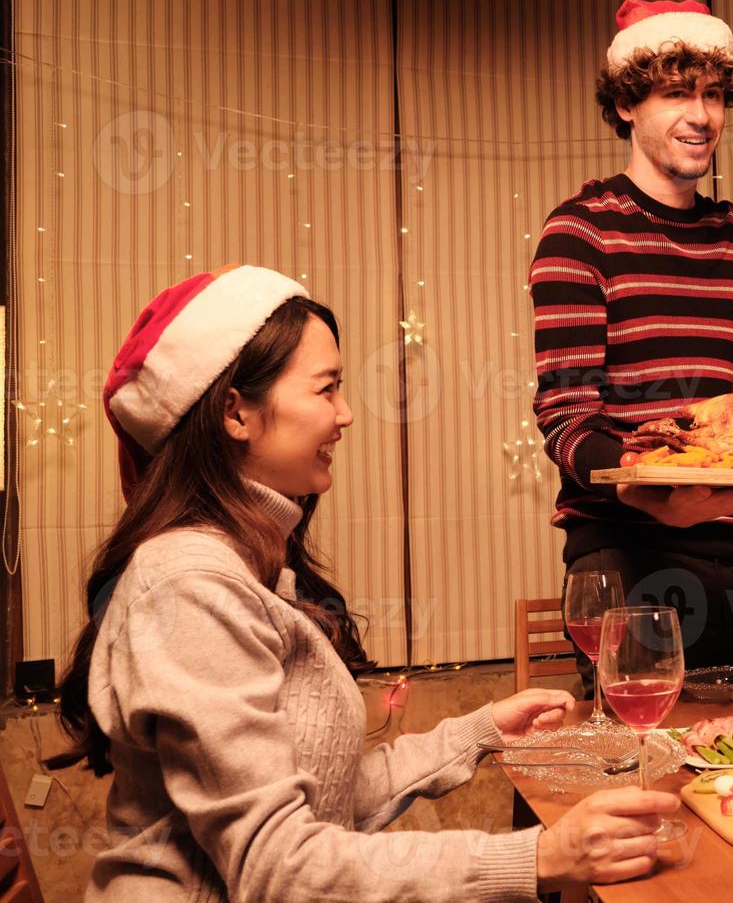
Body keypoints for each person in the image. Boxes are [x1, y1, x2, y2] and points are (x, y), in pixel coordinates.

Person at [48, 266, 679, 901]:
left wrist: (479, 731)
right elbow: (280, 869)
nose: (346, 415)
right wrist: (539, 856)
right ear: (235, 412)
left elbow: (326, 800)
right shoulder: (190, 587)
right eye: (326, 390)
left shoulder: (253, 568)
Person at [530, 0, 733, 675]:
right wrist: (645, 483)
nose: (702, 116)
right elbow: (564, 418)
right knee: (660, 746)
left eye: (714, 95)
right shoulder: (580, 232)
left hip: (732, 547)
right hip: (622, 549)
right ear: (628, 105)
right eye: (677, 93)